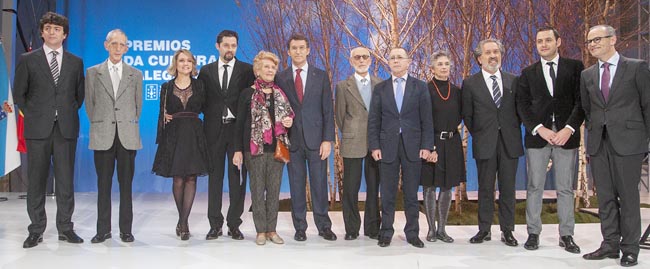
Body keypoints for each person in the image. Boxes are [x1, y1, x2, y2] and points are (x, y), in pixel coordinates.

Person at [580, 25, 650, 267]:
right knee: (606, 197)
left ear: (613, 39)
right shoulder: (587, 74)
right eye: (589, 41)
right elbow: (588, 110)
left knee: (628, 198)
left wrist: (646, 142)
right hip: (599, 144)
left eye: (597, 39)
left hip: (629, 143)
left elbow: (647, 105)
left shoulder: (636, 67)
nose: (592, 44)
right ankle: (609, 244)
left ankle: (630, 249)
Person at [14, 12, 85, 248]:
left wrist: (61, 112)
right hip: (37, 129)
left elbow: (79, 96)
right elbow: (19, 94)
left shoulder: (75, 62)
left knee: (65, 181)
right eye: (48, 28)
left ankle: (65, 228)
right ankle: (36, 229)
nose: (52, 31)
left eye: (57, 29)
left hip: (65, 129)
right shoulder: (28, 59)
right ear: (42, 32)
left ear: (64, 35)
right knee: (36, 181)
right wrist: (37, 114)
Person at [516, 26, 584, 253]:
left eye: (547, 40)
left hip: (567, 137)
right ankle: (533, 233)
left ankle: (567, 235)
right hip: (538, 138)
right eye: (539, 41)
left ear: (559, 41)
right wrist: (539, 129)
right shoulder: (527, 73)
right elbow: (522, 106)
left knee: (565, 188)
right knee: (535, 186)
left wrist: (569, 129)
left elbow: (581, 102)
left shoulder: (575, 68)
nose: (543, 44)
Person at [368, 47, 434, 248]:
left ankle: (412, 233)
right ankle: (386, 231)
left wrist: (426, 146)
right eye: (392, 57)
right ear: (389, 62)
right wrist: (374, 146)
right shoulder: (380, 88)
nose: (396, 60)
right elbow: (374, 120)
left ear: (408, 61)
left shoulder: (420, 87)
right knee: (387, 192)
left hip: (413, 146)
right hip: (387, 147)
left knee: (411, 193)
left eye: (400, 57)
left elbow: (427, 119)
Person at [462, 38, 523, 247]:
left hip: (510, 143)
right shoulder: (470, 83)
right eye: (488, 52)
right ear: (480, 59)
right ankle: (484, 230)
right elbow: (468, 115)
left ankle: (508, 231)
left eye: (496, 51)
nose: (492, 56)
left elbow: (520, 112)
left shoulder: (514, 80)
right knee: (485, 188)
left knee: (508, 189)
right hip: (484, 142)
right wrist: (480, 133)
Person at [275, 33, 336, 241]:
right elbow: (278, 108)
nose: (298, 51)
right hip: (293, 141)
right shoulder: (281, 77)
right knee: (296, 185)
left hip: (317, 140)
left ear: (308, 50)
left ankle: (324, 226)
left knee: (319, 184)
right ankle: (299, 227)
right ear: (289, 51)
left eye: (302, 47)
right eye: (294, 48)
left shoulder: (320, 75)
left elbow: (328, 109)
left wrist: (328, 139)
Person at [85, 29, 143, 243]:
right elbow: (90, 105)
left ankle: (125, 230)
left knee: (126, 186)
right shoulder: (93, 72)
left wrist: (124, 123)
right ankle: (103, 230)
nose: (118, 48)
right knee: (103, 185)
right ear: (106, 45)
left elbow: (138, 106)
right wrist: (102, 123)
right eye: (114, 44)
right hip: (103, 134)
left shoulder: (135, 74)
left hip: (127, 136)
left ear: (127, 48)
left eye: (122, 45)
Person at [232, 51, 294, 246]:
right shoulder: (247, 94)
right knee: (257, 191)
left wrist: (288, 122)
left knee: (274, 191)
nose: (270, 70)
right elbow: (240, 124)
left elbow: (288, 118)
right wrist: (238, 150)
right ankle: (260, 230)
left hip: (277, 149)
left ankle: (272, 230)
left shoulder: (280, 93)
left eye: (273, 67)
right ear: (257, 70)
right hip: (255, 150)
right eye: (266, 67)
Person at [198, 30, 254, 240]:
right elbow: (201, 101)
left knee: (237, 179)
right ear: (217, 46)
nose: (230, 49)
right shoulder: (206, 71)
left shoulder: (247, 70)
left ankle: (234, 224)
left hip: (237, 133)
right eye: (226, 45)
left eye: (233, 45)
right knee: (215, 179)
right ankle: (215, 224)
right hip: (212, 132)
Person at [152, 49, 210, 241]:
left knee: (191, 178)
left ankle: (183, 223)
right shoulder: (166, 87)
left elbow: (206, 108)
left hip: (194, 133)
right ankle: (182, 219)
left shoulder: (200, 85)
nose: (185, 64)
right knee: (178, 179)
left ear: (193, 64)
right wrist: (162, 135)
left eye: (189, 61)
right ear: (175, 64)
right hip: (174, 135)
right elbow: (162, 114)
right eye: (181, 60)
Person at [335, 47, 381, 241]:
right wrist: (351, 132)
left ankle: (372, 228)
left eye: (365, 57)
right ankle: (352, 228)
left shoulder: (380, 84)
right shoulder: (342, 86)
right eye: (357, 57)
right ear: (351, 61)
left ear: (370, 60)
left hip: (375, 144)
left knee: (373, 187)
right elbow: (339, 116)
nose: (361, 60)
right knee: (351, 188)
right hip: (352, 142)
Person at [421, 50, 464, 243]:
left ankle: (443, 229)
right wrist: (429, 147)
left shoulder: (456, 91)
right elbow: (422, 120)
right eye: (440, 64)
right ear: (432, 68)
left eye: (447, 63)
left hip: (452, 142)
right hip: (433, 143)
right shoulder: (425, 90)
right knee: (430, 187)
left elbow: (462, 116)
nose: (444, 67)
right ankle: (431, 229)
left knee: (447, 187)